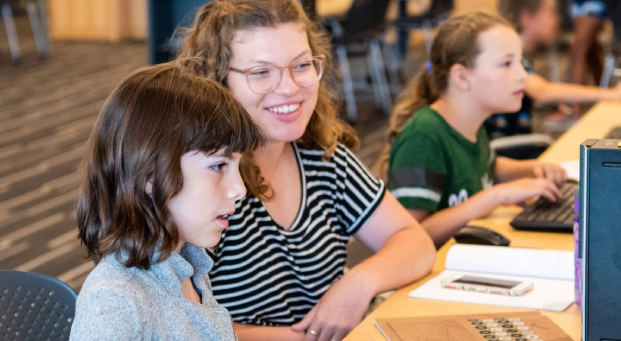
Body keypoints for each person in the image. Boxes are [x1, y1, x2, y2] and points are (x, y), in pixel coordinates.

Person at [177, 1, 437, 340]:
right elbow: (181, 324)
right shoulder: (202, 184)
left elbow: (415, 242)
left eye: (301, 65)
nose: (289, 87)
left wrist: (357, 284)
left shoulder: (323, 159)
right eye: (261, 72)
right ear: (218, 80)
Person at [71, 62, 266, 340]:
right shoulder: (114, 301)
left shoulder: (188, 265)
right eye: (219, 166)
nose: (240, 189)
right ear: (150, 174)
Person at [378, 12, 567, 249]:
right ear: (462, 76)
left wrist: (530, 169)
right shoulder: (423, 135)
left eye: (521, 62)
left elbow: (482, 167)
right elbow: (409, 238)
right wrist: (495, 196)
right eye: (507, 64)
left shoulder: (470, 121)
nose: (522, 76)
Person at [486, 0, 621, 138]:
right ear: (528, 17)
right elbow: (542, 91)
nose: (559, 20)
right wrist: (614, 94)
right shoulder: (510, 53)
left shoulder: (510, 50)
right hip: (512, 155)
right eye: (553, 12)